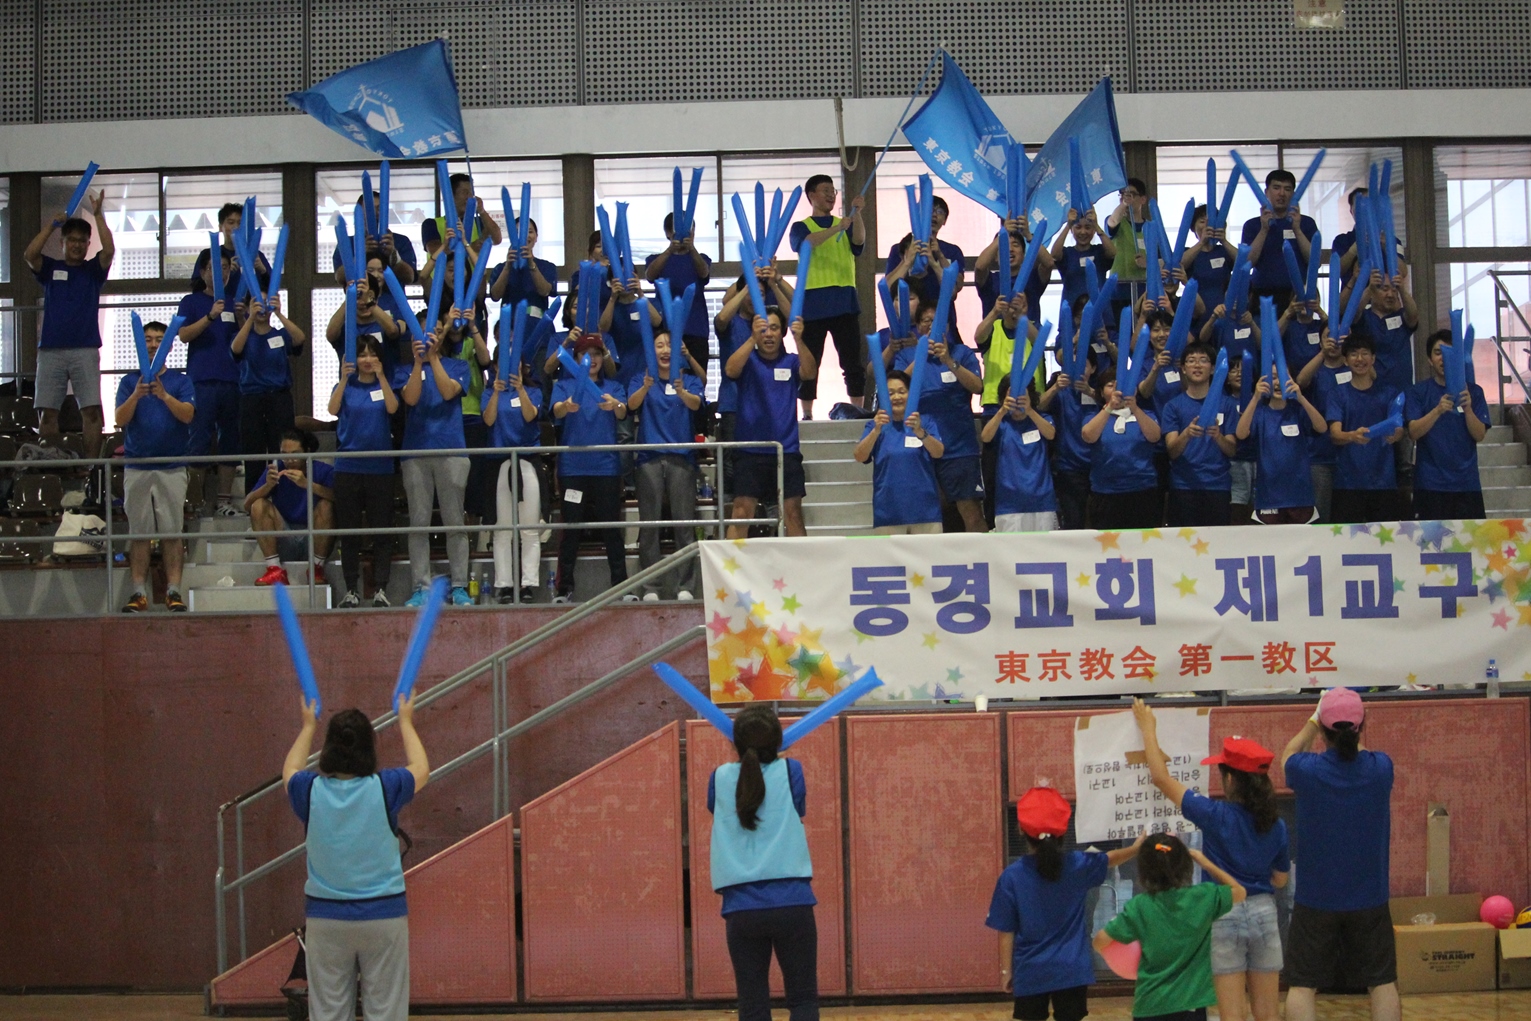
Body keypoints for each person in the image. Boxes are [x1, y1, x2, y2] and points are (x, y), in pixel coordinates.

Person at [1133, 701, 1290, 1021]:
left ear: (1230, 780)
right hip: (1264, 912)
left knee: (1231, 1014)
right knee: (1268, 1014)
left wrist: (1148, 729)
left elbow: (1161, 778)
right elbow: (1281, 879)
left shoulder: (1214, 815)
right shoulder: (1277, 825)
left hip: (1223, 912)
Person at [283, 691, 428, 1021]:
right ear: (368, 748)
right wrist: (405, 720)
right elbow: (421, 768)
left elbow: (289, 768)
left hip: (326, 919)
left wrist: (307, 726)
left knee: (329, 1013)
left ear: (329, 748)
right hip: (384, 916)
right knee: (386, 1011)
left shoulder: (308, 790)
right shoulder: (386, 787)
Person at [1280, 688, 1399, 1021]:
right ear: (1361, 726)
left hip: (1315, 899)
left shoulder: (1307, 770)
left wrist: (1314, 719)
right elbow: (1360, 752)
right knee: (1382, 983)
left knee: (1303, 985)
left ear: (1322, 729)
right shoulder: (1381, 768)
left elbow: (1288, 754)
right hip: (1370, 898)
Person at [987, 788, 1144, 1021]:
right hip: (1072, 969)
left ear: (1020, 829)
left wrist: (1005, 971)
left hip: (1030, 970)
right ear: (1063, 830)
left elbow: (1006, 930)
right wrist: (1136, 847)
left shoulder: (1011, 877)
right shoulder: (1078, 865)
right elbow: (1111, 858)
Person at [706, 704, 818, 1021]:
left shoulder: (719, 777)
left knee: (752, 1003)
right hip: (792, 902)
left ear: (735, 742)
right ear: (779, 741)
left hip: (741, 907)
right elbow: (799, 807)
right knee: (803, 999)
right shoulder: (791, 770)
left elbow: (718, 808)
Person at [1095, 833, 1246, 1021]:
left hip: (1150, 1005)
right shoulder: (1203, 897)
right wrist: (1205, 862)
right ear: (1186, 865)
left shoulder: (1139, 906)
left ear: (1143, 869)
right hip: (1191, 1004)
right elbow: (1240, 891)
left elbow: (1100, 940)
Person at [24, 191, 112, 463]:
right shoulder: (51, 268)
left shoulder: (93, 271)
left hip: (85, 350)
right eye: (71, 240)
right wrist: (51, 226)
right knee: (47, 414)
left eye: (82, 241)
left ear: (88, 244)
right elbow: (30, 254)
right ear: (62, 243)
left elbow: (109, 251)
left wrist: (98, 215)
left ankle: (91, 469)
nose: (76, 245)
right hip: (51, 351)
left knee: (92, 412)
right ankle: (49, 466)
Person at [115, 322, 195, 613]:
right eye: (147, 339)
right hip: (137, 466)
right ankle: (138, 592)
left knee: (172, 532)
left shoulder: (180, 381)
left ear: (169, 345)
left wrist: (164, 395)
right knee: (139, 533)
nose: (152, 345)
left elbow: (187, 415)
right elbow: (120, 420)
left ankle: (174, 591)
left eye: (159, 340)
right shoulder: (129, 382)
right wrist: (137, 395)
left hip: (172, 466)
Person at [397, 315, 474, 607]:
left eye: (437, 332)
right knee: (419, 523)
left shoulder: (458, 366)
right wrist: (420, 362)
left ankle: (459, 586)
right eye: (425, 332)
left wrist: (433, 359)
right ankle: (421, 587)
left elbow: (448, 391)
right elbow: (411, 399)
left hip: (452, 451)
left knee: (455, 522)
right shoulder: (405, 370)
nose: (432, 336)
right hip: (415, 453)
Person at [725, 306, 816, 539]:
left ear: (782, 332)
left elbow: (809, 373)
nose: (768, 334)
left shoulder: (791, 361)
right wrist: (751, 339)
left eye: (774, 328)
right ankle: (729, 563)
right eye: (763, 329)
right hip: (749, 451)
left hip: (786, 451)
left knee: (793, 514)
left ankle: (800, 562)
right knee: (741, 512)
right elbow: (730, 370)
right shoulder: (748, 360)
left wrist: (799, 339)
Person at [551, 333, 629, 603]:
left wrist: (615, 405)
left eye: (596, 354)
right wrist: (565, 406)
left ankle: (621, 587)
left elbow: (622, 411)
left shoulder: (613, 387)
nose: (591, 359)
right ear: (575, 359)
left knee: (611, 530)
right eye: (586, 354)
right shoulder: (565, 386)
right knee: (571, 530)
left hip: (606, 469)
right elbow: (556, 411)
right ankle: (564, 589)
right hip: (573, 470)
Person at [892, 308, 985, 532]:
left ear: (948, 326)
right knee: (927, 511)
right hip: (921, 448)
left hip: (960, 449)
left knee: (970, 511)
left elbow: (977, 387)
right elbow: (895, 387)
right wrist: (921, 356)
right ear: (918, 326)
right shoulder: (907, 356)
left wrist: (948, 360)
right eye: (926, 320)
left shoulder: (962, 353)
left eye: (937, 320)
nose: (931, 325)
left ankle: (980, 554)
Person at [628, 332, 704, 599]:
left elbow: (696, 404)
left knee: (684, 525)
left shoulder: (689, 380)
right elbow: (631, 404)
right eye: (658, 345)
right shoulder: (641, 378)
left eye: (669, 345)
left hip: (682, 458)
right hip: (649, 459)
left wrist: (681, 391)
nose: (664, 350)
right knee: (650, 527)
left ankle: (686, 586)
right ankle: (651, 587)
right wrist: (645, 387)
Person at [329, 336, 398, 608]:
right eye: (362, 355)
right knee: (349, 532)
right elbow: (332, 409)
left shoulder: (385, 384)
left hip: (380, 468)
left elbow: (393, 408)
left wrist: (382, 377)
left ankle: (381, 589)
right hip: (348, 467)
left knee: (382, 531)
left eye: (372, 354)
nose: (367, 360)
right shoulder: (345, 386)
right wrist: (343, 379)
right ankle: (351, 589)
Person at [789, 173, 865, 419]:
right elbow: (807, 244)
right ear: (811, 195)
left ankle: (857, 409)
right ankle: (807, 413)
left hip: (844, 302)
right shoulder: (801, 226)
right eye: (826, 190)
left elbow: (859, 242)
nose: (831, 195)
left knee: (851, 362)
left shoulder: (846, 222)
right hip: (813, 304)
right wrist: (837, 228)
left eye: (833, 191)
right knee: (810, 362)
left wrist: (857, 214)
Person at [176, 244, 243, 516]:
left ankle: (224, 501)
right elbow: (183, 335)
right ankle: (196, 502)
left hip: (232, 380)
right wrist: (210, 316)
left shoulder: (235, 302)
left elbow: (245, 339)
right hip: (201, 381)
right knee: (199, 440)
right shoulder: (191, 301)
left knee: (230, 441)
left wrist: (242, 317)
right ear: (202, 272)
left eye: (225, 268)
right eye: (214, 268)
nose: (221, 273)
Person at [482, 342, 544, 605]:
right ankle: (505, 584)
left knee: (529, 529)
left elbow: (531, 416)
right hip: (500, 462)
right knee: (503, 529)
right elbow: (487, 420)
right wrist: (497, 392)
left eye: (515, 362)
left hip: (527, 461)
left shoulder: (533, 390)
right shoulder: (489, 392)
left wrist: (520, 389)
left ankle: (528, 583)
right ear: (497, 366)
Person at [1406, 329, 1490, 520]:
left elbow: (1479, 435)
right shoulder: (1418, 392)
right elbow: (1413, 432)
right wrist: (1437, 410)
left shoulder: (1474, 392)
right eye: (1438, 353)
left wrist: (1468, 409)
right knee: (1429, 539)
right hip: (1430, 484)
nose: (1444, 358)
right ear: (1430, 360)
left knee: (1470, 538)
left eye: (1450, 353)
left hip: (1466, 484)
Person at [1326, 334, 1405, 524]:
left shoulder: (1389, 393)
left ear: (1373, 358)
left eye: (1365, 353)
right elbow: (1335, 434)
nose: (1360, 359)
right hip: (1348, 482)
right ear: (1345, 360)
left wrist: (1396, 434)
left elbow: (1399, 428)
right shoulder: (1337, 394)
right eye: (1354, 354)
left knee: (1384, 537)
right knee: (1346, 538)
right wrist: (1352, 436)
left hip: (1383, 481)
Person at [231, 291, 304, 495]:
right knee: (253, 451)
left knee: (281, 449)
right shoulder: (244, 335)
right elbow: (236, 349)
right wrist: (250, 318)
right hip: (252, 399)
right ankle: (254, 502)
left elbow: (300, 338)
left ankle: (284, 497)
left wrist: (279, 313)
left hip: (279, 398)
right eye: (257, 302)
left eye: (265, 302)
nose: (261, 307)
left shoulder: (280, 335)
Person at [853, 370, 944, 534]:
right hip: (888, 513)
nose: (896, 397)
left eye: (902, 392)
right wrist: (876, 431)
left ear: (911, 393)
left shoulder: (926, 421)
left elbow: (938, 452)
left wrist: (920, 432)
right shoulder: (874, 426)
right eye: (890, 393)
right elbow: (859, 456)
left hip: (926, 512)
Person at [244, 429, 336, 588]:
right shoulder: (276, 469)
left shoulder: (323, 470)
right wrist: (267, 486)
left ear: (307, 451)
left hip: (315, 538)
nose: (289, 460)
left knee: (326, 505)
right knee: (258, 505)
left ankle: (316, 568)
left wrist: (308, 484)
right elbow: (247, 505)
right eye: (284, 454)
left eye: (295, 454)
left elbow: (340, 499)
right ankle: (274, 569)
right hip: (284, 537)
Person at [1236, 367, 1328, 524]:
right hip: (1269, 496)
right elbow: (1241, 433)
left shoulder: (1298, 410)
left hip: (1300, 496)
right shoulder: (1260, 412)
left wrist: (1301, 398)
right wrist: (1256, 398)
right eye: (1273, 377)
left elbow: (1322, 428)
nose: (1278, 382)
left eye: (1283, 376)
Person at [1161, 344, 1238, 527]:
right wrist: (1186, 434)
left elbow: (1232, 450)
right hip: (1183, 486)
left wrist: (1218, 436)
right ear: (1183, 368)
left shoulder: (1227, 405)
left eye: (1203, 360)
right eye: (1191, 361)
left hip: (1217, 486)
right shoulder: (1173, 406)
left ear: (1212, 369)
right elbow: (1172, 452)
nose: (1197, 365)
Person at [1080, 371, 1163, 529]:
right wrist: (1110, 408)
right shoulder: (1092, 416)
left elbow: (1155, 436)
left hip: (1142, 490)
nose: (1117, 391)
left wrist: (1135, 408)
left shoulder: (1147, 414)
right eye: (1111, 386)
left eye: (1123, 386)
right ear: (1101, 392)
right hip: (1105, 492)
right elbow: (1088, 436)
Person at [981, 375, 1058, 533]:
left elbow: (1050, 434)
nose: (1017, 401)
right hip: (1009, 504)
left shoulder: (1042, 419)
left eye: (1022, 395)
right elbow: (985, 437)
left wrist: (1029, 410)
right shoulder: (1001, 423)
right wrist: (1002, 410)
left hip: (1042, 502)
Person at [884, 195, 964, 343]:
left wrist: (937, 257)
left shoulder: (952, 251)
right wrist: (907, 261)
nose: (934, 215)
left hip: (942, 323)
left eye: (940, 212)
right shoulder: (899, 249)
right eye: (930, 210)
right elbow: (887, 289)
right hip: (908, 327)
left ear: (945, 220)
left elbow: (955, 289)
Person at [644, 212, 713, 381]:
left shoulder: (701, 258)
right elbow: (650, 275)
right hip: (665, 331)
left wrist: (692, 249)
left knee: (697, 380)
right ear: (668, 233)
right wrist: (670, 250)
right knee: (665, 380)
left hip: (696, 330)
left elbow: (704, 273)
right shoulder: (656, 259)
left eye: (690, 231)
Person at [1035, 350, 1098, 530]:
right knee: (1073, 522)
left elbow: (1116, 405)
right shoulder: (1061, 393)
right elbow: (1038, 406)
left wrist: (1091, 392)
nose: (1078, 370)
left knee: (1099, 522)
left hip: (1099, 467)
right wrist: (1055, 387)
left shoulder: (1100, 390)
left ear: (1093, 368)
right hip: (1068, 467)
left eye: (1083, 365)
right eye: (1073, 365)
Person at [1241, 169, 1318, 313]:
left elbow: (1315, 261)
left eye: (1287, 189)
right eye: (1276, 188)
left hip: (1298, 295)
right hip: (1262, 295)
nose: (1281, 193)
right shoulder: (1252, 225)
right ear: (1266, 192)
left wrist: (1297, 229)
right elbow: (1247, 263)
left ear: (1293, 194)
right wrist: (1264, 229)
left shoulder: (1307, 223)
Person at [332, 189, 418, 286]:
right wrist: (360, 255)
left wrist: (393, 255)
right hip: (360, 295)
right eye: (369, 209)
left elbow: (410, 277)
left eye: (379, 209)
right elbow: (340, 277)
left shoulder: (400, 241)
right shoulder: (347, 243)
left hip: (392, 296)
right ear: (359, 213)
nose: (375, 213)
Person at [1051, 207, 1116, 306]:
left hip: (1099, 308)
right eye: (1078, 227)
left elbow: (1112, 253)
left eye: (1088, 227)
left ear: (1093, 230)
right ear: (1072, 230)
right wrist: (1068, 225)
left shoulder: (1099, 251)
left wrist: (1097, 226)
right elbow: (1054, 255)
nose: (1083, 232)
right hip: (1071, 309)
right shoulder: (1067, 253)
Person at [1105, 179, 1150, 313]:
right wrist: (1124, 204)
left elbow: (1163, 260)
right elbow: (1113, 221)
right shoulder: (1116, 221)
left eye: (1131, 194)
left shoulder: (1151, 228)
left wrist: (1148, 264)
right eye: (1122, 194)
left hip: (1144, 292)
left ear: (1142, 199)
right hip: (1118, 291)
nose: (1126, 198)